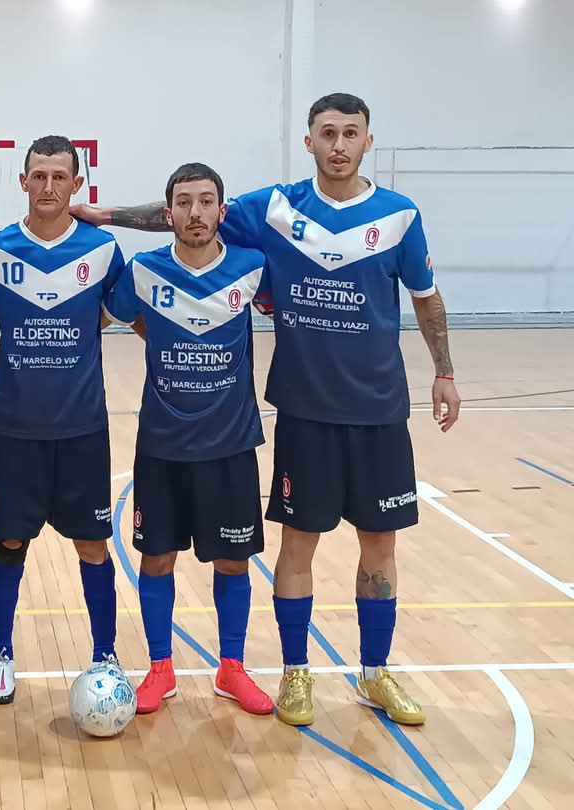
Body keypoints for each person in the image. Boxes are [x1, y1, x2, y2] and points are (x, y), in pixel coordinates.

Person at [75, 93, 461, 726]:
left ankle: (376, 673)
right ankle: (294, 675)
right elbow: (186, 217)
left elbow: (425, 295)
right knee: (295, 546)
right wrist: (108, 213)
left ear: (368, 141)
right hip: (304, 412)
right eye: (327, 133)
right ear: (307, 141)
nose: (339, 144)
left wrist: (444, 370)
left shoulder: (399, 216)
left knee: (380, 548)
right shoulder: (275, 211)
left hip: (380, 411)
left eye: (351, 133)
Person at [102, 163, 275, 716]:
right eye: (184, 202)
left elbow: (283, 307)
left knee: (233, 562)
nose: (195, 212)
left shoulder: (252, 267)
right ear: (167, 212)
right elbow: (119, 315)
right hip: (162, 444)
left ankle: (232, 669)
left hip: (230, 444)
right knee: (157, 560)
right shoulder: (143, 270)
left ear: (221, 211)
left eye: (206, 202)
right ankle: (160, 669)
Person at [0, 136, 126, 704]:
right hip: (14, 427)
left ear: (77, 184)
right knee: (9, 539)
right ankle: (0, 652)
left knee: (93, 544)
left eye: (61, 176)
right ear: (23, 180)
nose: (49, 187)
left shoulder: (103, 250)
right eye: (39, 175)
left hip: (83, 427)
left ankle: (105, 653)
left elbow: (115, 313)